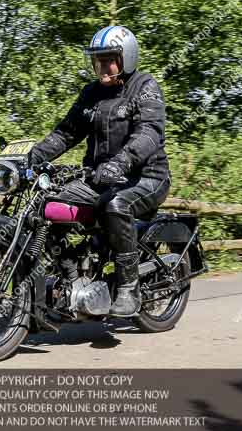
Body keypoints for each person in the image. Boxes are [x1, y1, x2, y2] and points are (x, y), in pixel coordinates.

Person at [27, 25, 171, 317]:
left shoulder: (145, 86)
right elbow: (66, 133)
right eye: (97, 59)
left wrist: (120, 162)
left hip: (146, 177)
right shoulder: (91, 93)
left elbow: (149, 134)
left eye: (108, 59)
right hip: (99, 178)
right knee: (47, 203)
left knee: (116, 205)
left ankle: (129, 288)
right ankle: (69, 277)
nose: (102, 65)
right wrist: (31, 157)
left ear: (126, 58)